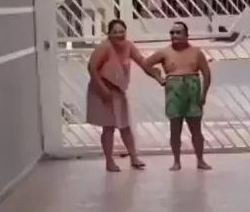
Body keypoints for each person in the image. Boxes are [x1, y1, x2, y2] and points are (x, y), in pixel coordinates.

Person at [87, 19, 165, 172]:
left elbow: (142, 62)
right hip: (101, 89)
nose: (119, 35)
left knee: (125, 125)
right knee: (108, 127)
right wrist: (103, 90)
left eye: (122, 31)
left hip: (118, 91)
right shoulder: (104, 47)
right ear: (109, 34)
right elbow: (92, 67)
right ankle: (109, 161)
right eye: (115, 32)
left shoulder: (128, 45)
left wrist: (157, 77)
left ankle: (134, 158)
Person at [145, 21, 212, 171]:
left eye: (178, 32)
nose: (174, 35)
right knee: (175, 129)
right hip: (174, 93)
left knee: (196, 130)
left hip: (192, 92)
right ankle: (176, 161)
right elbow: (146, 64)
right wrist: (158, 78)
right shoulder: (164, 52)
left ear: (187, 35)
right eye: (172, 33)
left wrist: (204, 94)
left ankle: (200, 160)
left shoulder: (196, 52)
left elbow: (207, 74)